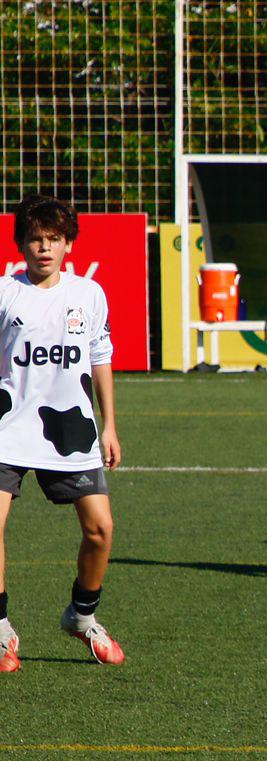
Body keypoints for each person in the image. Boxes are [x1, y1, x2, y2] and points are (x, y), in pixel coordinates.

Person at [0, 194, 125, 672]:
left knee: (100, 529)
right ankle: (1, 628)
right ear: (22, 245)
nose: (44, 248)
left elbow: (101, 356)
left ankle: (82, 616)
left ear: (69, 244)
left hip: (72, 427)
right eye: (35, 239)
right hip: (8, 427)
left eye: (53, 239)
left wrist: (109, 425)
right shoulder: (6, 293)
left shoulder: (88, 294)